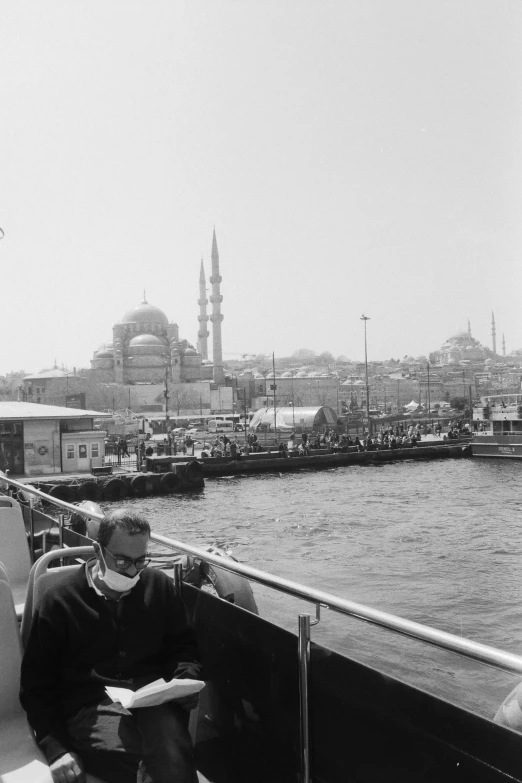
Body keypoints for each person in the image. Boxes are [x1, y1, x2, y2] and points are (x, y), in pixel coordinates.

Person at [21, 509, 201, 783]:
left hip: (151, 697)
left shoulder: (159, 586)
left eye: (141, 561)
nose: (132, 571)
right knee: (127, 758)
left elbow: (184, 647)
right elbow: (36, 686)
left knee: (172, 748)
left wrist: (185, 679)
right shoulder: (59, 601)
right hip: (89, 705)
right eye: (122, 561)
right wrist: (55, 747)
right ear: (97, 550)